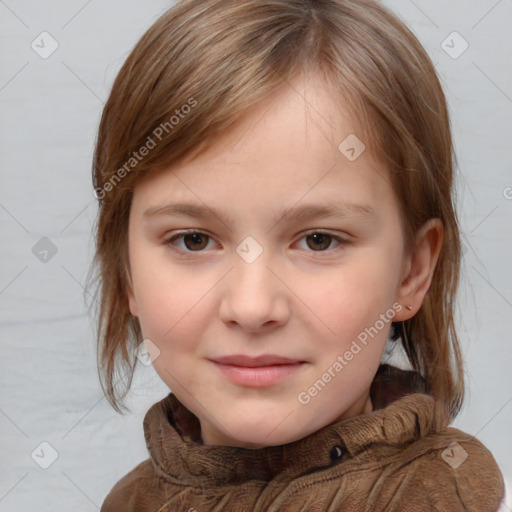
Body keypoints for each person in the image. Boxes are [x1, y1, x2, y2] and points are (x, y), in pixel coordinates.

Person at [88, 0, 505, 510]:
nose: (252, 306)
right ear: (128, 273)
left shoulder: (438, 497)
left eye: (318, 240)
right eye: (193, 240)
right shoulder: (128, 501)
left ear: (412, 272)